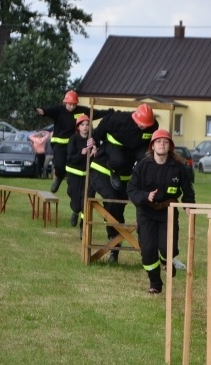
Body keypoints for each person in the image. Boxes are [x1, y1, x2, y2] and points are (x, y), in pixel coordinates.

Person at [88, 103, 159, 264]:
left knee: (135, 204)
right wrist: (95, 141)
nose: (143, 127)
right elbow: (103, 124)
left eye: (146, 125)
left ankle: (141, 247)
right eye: (141, 124)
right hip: (103, 167)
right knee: (112, 199)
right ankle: (113, 240)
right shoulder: (120, 119)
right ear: (135, 118)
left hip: (127, 173)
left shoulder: (152, 127)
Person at [127, 129, 195, 293]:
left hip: (168, 211)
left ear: (170, 146)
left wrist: (188, 205)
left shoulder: (179, 167)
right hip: (146, 212)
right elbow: (131, 189)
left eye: (165, 142)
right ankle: (155, 284)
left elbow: (188, 190)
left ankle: (166, 260)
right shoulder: (143, 165)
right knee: (148, 250)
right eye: (159, 142)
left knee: (168, 247)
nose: (162, 145)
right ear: (152, 146)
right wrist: (145, 196)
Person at [35, 90, 108, 193]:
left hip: (73, 143)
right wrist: (41, 111)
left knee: (75, 162)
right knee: (60, 166)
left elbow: (95, 113)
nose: (72, 107)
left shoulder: (81, 111)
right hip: (59, 144)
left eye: (74, 104)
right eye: (70, 104)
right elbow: (47, 111)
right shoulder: (58, 110)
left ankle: (76, 187)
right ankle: (59, 178)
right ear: (65, 102)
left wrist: (110, 112)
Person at [65, 115, 97, 232]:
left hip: (87, 175)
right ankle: (75, 211)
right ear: (78, 127)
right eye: (82, 125)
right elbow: (70, 158)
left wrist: (95, 152)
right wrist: (81, 153)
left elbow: (96, 160)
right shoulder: (73, 139)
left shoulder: (92, 140)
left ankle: (83, 228)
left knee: (86, 201)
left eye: (87, 125)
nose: (85, 127)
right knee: (75, 198)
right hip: (74, 173)